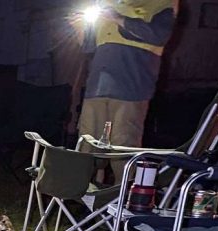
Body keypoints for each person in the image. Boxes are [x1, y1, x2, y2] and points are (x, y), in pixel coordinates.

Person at [71, 0, 178, 163]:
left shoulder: (162, 3)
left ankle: (123, 187)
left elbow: (158, 35)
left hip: (130, 87)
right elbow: (89, 46)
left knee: (123, 146)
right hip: (97, 86)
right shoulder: (106, 3)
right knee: (87, 143)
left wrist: (118, 18)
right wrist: (79, 27)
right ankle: (84, 187)